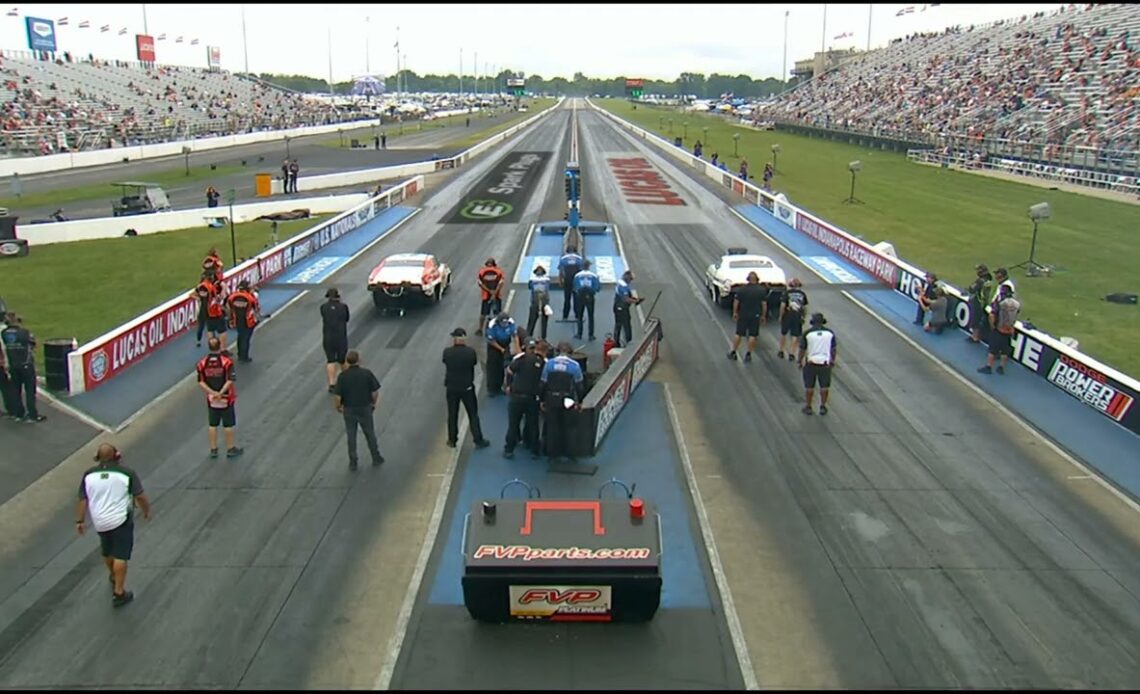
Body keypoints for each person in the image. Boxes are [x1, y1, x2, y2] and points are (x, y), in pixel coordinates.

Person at [75, 443, 151, 608]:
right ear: (117, 456)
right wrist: (146, 510)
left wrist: (80, 521)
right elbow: (140, 496)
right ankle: (119, 592)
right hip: (121, 519)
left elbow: (83, 499)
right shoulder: (126, 473)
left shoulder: (88, 475)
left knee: (107, 550)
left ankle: (112, 574)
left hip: (100, 521)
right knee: (121, 555)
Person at [333, 350, 384, 470]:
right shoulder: (366, 374)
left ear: (347, 361)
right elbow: (374, 392)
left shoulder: (343, 376)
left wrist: (338, 407)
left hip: (349, 409)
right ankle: (376, 457)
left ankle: (353, 461)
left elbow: (337, 396)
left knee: (351, 435)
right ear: (359, 360)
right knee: (369, 433)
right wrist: (373, 403)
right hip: (365, 407)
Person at [441, 328, 490, 449]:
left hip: (452, 388)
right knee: (473, 414)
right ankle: (478, 439)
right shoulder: (470, 352)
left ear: (455, 339)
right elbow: (473, 363)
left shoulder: (447, 352)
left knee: (452, 414)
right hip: (467, 387)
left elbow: (445, 361)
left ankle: (452, 440)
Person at [196, 337, 243, 458]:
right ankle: (230, 448)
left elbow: (201, 381)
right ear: (219, 345)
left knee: (213, 424)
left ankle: (213, 449)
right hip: (226, 398)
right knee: (228, 425)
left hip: (211, 399)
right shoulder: (226, 362)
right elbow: (230, 380)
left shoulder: (202, 363)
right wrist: (220, 393)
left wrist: (212, 393)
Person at [540, 342, 584, 463]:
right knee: (569, 427)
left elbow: (543, 383)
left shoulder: (549, 364)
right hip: (567, 399)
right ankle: (570, 453)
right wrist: (579, 402)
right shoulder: (574, 366)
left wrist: (542, 400)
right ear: (570, 353)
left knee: (552, 426)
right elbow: (579, 386)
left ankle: (552, 454)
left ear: (557, 351)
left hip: (551, 398)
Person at [504, 337, 545, 459]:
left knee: (513, 424)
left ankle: (509, 449)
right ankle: (534, 450)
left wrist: (509, 385)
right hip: (532, 398)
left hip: (517, 397)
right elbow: (544, 381)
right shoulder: (542, 362)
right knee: (533, 424)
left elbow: (510, 371)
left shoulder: (521, 359)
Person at [1, 313, 44, 422]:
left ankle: (19, 414)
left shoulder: (4, 333)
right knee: (30, 391)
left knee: (16, 390)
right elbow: (34, 344)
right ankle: (32, 415)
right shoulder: (24, 333)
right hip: (26, 364)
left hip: (12, 365)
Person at [798, 313, 838, 416]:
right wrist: (832, 360)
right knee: (824, 386)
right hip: (825, 363)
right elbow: (833, 349)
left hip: (811, 362)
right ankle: (823, 406)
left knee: (809, 386)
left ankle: (808, 406)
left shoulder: (808, 333)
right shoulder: (830, 333)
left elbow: (802, 349)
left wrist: (799, 360)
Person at [978, 284, 1020, 375]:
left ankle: (989, 366)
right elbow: (1016, 315)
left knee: (992, 350)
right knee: (1005, 351)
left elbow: (992, 315)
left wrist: (992, 326)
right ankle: (1001, 367)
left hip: (999, 329)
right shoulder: (1016, 304)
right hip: (1009, 330)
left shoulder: (1000, 302)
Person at [728, 272, 766, 362]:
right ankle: (748, 354)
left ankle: (733, 351)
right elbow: (764, 304)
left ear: (748, 279)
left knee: (739, 333)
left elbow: (736, 302)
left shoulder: (742, 289)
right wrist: (763, 315)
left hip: (743, 314)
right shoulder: (761, 290)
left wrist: (735, 312)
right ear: (757, 279)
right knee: (752, 335)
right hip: (755, 315)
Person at [320, 288, 350, 393]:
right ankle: (346, 381)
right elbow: (347, 318)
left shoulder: (323, 307)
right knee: (342, 360)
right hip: (340, 336)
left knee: (330, 360)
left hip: (328, 337)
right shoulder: (343, 307)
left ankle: (332, 384)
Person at [226, 279, 260, 362]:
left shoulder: (232, 297)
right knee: (246, 339)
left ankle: (240, 353)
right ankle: (244, 356)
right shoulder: (250, 297)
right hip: (248, 321)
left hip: (237, 320)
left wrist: (230, 318)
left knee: (240, 336)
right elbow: (256, 308)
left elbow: (228, 308)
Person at [485, 311, 518, 396]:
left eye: (506, 322)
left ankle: (500, 386)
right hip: (494, 346)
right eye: (503, 323)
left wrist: (517, 348)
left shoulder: (511, 322)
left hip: (505, 344)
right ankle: (492, 389)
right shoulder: (492, 325)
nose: (505, 324)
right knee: (493, 367)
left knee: (502, 366)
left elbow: (515, 335)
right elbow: (491, 340)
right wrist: (501, 349)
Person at [777, 278, 808, 360]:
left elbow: (783, 305)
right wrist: (803, 316)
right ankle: (792, 353)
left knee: (784, 333)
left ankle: (781, 351)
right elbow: (804, 307)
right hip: (797, 316)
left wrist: (780, 316)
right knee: (795, 335)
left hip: (788, 315)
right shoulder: (802, 294)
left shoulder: (786, 293)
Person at [613, 270, 644, 348]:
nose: (631, 281)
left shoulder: (620, 282)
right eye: (630, 279)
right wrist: (635, 301)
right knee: (626, 326)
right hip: (622, 308)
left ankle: (616, 342)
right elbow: (626, 299)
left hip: (617, 306)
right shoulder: (623, 286)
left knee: (618, 325)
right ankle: (628, 344)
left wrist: (634, 299)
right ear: (627, 277)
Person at [475, 258, 505, 336]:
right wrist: (494, 293)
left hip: (486, 295)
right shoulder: (499, 271)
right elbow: (501, 283)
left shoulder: (482, 271)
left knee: (483, 313)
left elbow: (480, 283)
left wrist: (489, 291)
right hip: (496, 295)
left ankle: (480, 329)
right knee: (498, 313)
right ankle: (500, 328)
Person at [572, 260, 601, 341]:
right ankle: (591, 335)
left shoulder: (577, 275)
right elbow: (597, 288)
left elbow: (575, 287)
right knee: (591, 316)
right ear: (589, 266)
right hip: (590, 296)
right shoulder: (594, 276)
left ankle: (579, 334)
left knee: (580, 316)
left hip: (580, 297)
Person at [966, 264, 994, 343]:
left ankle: (975, 337)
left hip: (978, 302)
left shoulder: (980, 281)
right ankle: (975, 335)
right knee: (979, 319)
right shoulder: (989, 280)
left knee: (976, 320)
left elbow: (971, 289)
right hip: (984, 301)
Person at [558, 245, 584, 320]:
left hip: (567, 280)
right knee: (576, 298)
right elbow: (581, 270)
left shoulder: (563, 258)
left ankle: (565, 316)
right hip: (575, 281)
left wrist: (560, 280)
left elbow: (561, 270)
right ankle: (577, 315)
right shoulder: (579, 258)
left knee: (567, 298)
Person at [526, 265, 552, 340]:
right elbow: (530, 287)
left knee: (542, 321)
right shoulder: (534, 279)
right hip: (536, 302)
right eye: (538, 270)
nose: (539, 272)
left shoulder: (545, 279)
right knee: (532, 320)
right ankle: (529, 336)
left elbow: (531, 287)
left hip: (542, 302)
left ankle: (542, 337)